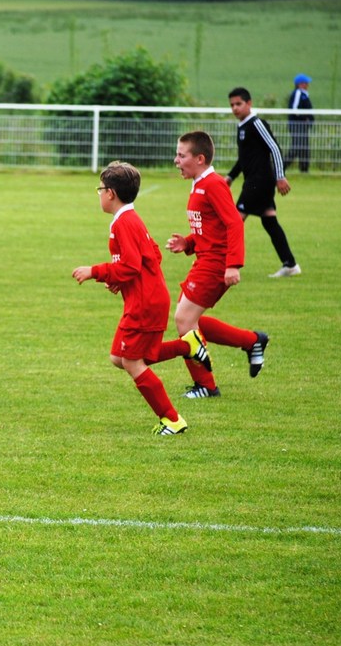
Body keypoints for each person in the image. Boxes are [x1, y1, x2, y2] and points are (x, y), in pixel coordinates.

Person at [72, 161, 213, 436]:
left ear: (110, 193)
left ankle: (172, 419)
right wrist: (119, 279)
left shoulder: (124, 223)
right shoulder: (129, 219)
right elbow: (153, 255)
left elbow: (131, 265)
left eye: (100, 189)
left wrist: (95, 272)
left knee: (132, 362)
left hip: (144, 303)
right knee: (118, 357)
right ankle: (187, 345)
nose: (99, 194)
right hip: (147, 298)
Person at [167, 131, 270, 398]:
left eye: (181, 155)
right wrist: (188, 243)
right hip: (205, 260)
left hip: (215, 264)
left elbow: (234, 222)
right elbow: (210, 228)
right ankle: (252, 341)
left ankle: (206, 386)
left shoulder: (213, 184)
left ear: (200, 159)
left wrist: (233, 265)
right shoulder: (199, 183)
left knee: (184, 320)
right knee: (190, 320)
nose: (176, 160)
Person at [226, 87, 300, 278]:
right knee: (270, 221)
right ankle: (290, 264)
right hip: (256, 181)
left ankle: (223, 265)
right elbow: (245, 158)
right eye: (232, 105)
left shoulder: (257, 123)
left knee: (234, 221)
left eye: (239, 104)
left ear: (249, 103)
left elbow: (274, 148)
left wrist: (280, 176)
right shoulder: (242, 126)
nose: (235, 108)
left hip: (259, 182)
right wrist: (231, 176)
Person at [287, 73, 314, 173]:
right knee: (297, 148)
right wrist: (305, 118)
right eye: (306, 83)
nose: (307, 85)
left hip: (302, 126)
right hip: (297, 125)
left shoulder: (304, 94)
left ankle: (304, 170)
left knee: (304, 148)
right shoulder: (298, 93)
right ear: (300, 84)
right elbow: (294, 109)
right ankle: (280, 168)